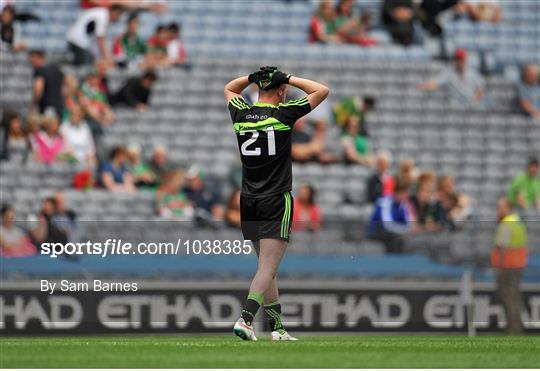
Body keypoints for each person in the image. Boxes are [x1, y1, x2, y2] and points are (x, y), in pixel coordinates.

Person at [224, 66, 329, 341]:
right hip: (275, 198)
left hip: (248, 199)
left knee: (265, 267)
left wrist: (250, 78)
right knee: (268, 268)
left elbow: (230, 88)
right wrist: (288, 78)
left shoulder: (241, 113)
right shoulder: (283, 113)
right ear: (282, 91)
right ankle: (245, 320)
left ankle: (277, 329)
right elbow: (322, 90)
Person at [491, 197, 528, 334]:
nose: (498, 210)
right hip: (518, 264)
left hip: (508, 266)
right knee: (514, 296)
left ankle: (513, 328)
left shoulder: (507, 223)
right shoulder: (518, 222)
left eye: (500, 207)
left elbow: (502, 247)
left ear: (507, 208)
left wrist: (499, 267)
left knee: (509, 297)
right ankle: (516, 326)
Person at [418, 48, 486, 106]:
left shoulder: (472, 73)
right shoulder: (449, 73)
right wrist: (422, 86)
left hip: (469, 105)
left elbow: (481, 88)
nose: (459, 61)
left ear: (465, 59)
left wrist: (475, 100)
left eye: (461, 59)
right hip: (455, 106)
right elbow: (435, 83)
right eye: (457, 59)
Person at [368, 180, 413, 253]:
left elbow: (408, 223)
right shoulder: (385, 202)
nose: (405, 196)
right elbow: (387, 225)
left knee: (405, 238)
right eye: (402, 193)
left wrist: (406, 229)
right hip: (377, 231)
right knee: (395, 238)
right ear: (396, 193)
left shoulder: (403, 205)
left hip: (394, 231)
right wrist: (404, 230)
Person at [28, 50, 65, 119]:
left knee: (47, 128)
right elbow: (68, 81)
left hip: (47, 107)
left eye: (32, 57)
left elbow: (38, 88)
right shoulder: (55, 69)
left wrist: (33, 104)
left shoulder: (39, 71)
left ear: (39, 57)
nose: (30, 60)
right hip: (59, 107)